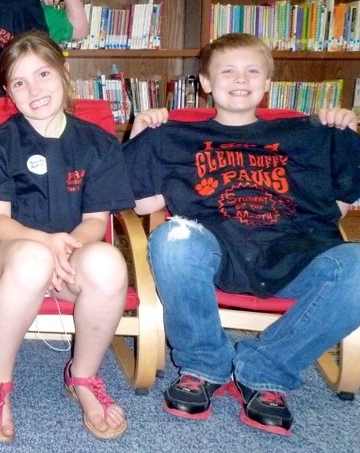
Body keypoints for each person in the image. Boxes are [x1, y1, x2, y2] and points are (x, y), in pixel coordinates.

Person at [123, 32, 360, 436]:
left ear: (268, 82)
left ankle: (265, 369)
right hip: (214, 252)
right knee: (172, 238)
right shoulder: (174, 136)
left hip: (298, 254)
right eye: (227, 71)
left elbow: (342, 204)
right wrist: (139, 135)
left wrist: (347, 130)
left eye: (253, 71)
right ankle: (202, 365)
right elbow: (141, 205)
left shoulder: (312, 134)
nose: (240, 79)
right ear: (206, 83)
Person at [0, 31, 132, 443]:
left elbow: (96, 221)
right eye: (19, 83)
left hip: (69, 259)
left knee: (109, 262)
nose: (34, 89)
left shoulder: (97, 143)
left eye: (43, 74)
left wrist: (66, 249)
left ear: (64, 70)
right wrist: (47, 245)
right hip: (6, 264)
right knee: (31, 258)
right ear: (8, 90)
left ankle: (83, 377)